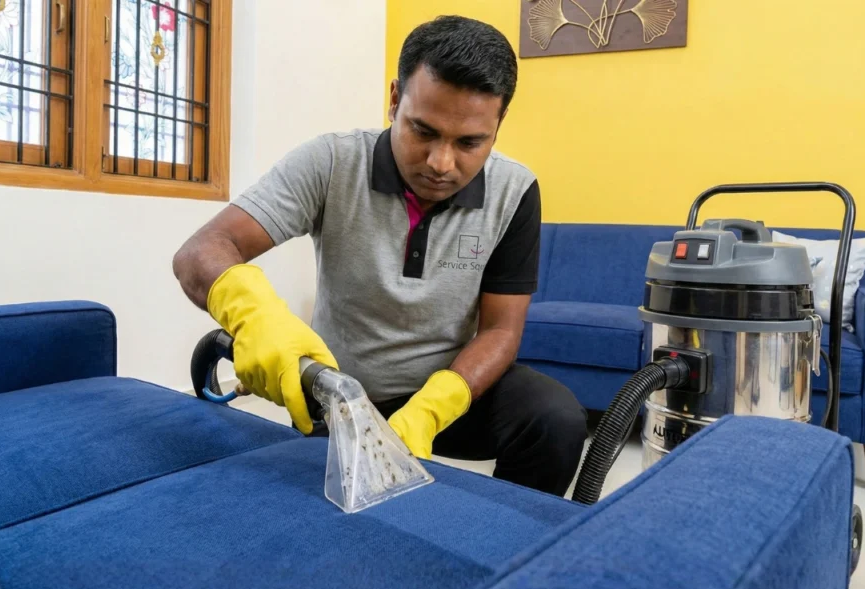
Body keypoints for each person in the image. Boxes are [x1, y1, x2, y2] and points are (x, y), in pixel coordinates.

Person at [172, 15, 587, 496]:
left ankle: (509, 551)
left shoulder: (515, 190)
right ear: (394, 100)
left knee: (555, 419)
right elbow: (200, 252)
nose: (441, 163)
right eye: (423, 131)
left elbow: (500, 330)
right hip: (339, 396)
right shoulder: (331, 163)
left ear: (498, 125)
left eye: (469, 142)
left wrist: (436, 404)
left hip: (446, 398)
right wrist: (257, 318)